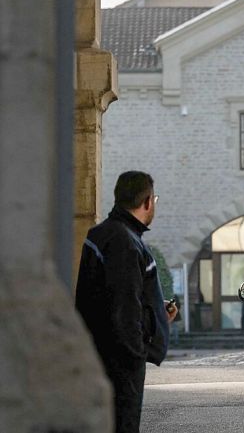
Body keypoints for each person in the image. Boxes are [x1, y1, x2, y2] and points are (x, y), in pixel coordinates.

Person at [76, 171, 178, 433]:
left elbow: (111, 298)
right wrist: (136, 355)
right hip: (120, 366)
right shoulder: (126, 243)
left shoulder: (102, 235)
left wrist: (157, 317)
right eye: (154, 199)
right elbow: (123, 310)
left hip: (102, 358)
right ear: (146, 202)